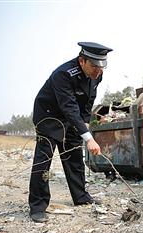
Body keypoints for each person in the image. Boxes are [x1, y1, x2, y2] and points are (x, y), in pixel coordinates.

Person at [29, 42, 112, 222]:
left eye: (102, 67)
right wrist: (88, 138)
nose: (98, 71)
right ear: (82, 61)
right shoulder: (63, 74)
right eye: (95, 67)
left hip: (71, 119)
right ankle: (37, 206)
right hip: (49, 117)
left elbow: (89, 99)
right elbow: (69, 106)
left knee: (74, 158)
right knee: (43, 162)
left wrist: (85, 123)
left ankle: (80, 196)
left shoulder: (97, 74)